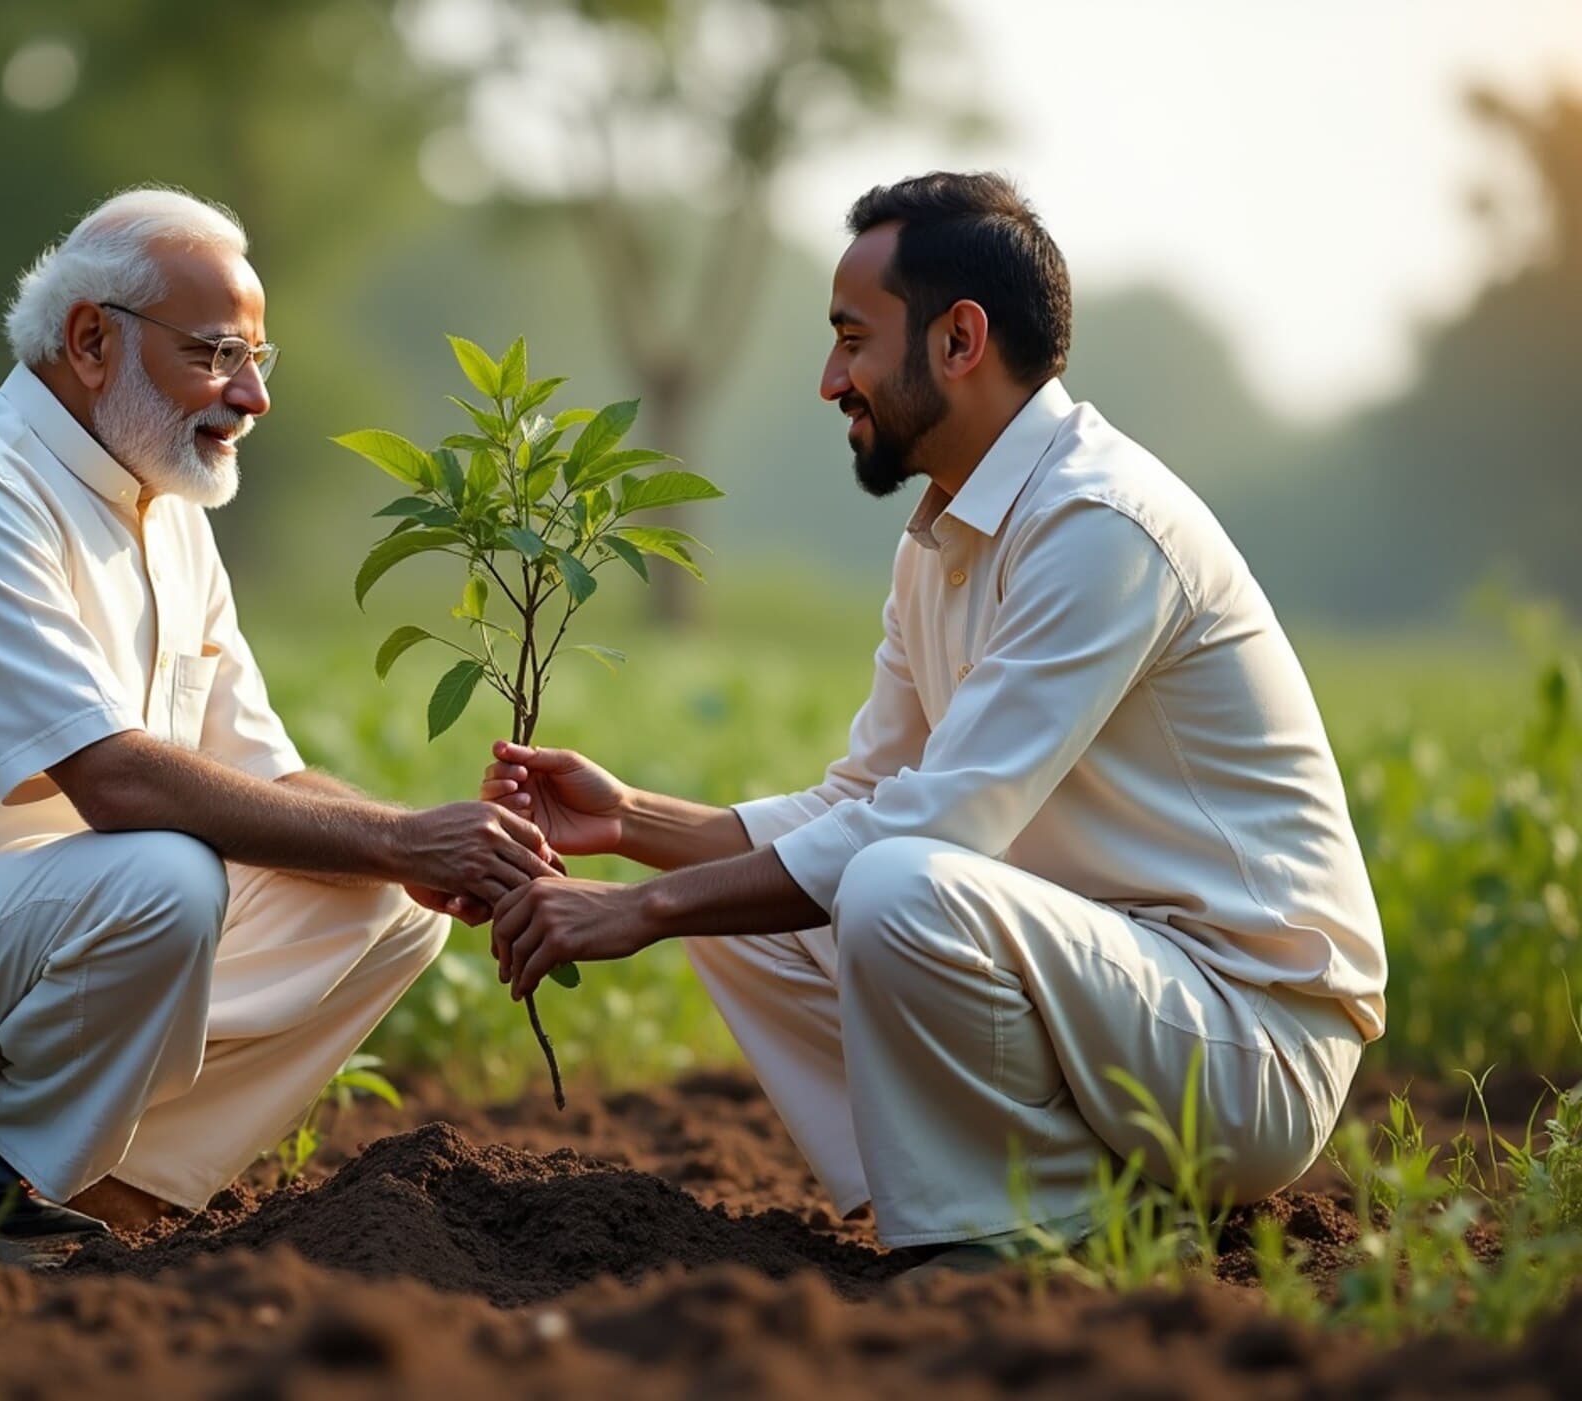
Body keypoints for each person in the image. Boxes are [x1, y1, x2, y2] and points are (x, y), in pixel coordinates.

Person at [479, 172, 1385, 1260]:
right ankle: (1065, 1202)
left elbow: (934, 829)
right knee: (760, 926)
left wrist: (646, 909)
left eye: (851, 340)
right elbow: (861, 799)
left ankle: (1021, 1233)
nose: (829, 381)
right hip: (1117, 994)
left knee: (886, 884)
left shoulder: (1099, 526)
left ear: (959, 339)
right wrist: (631, 824)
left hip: (1242, 1044)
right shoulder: (944, 535)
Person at [0, 187, 551, 1257]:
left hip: (20, 945)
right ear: (88, 341)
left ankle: (94, 1188)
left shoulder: (165, 510)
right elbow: (117, 785)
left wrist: (429, 851)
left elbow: (266, 777)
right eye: (215, 355)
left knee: (385, 906)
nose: (249, 395)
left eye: (258, 358)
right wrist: (400, 836)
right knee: (162, 873)